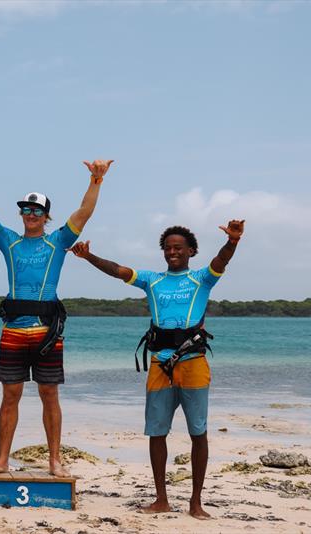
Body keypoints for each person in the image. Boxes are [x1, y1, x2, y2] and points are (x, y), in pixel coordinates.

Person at [69, 220, 245, 519]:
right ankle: (161, 499)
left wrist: (232, 242)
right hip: (160, 365)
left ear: (191, 251)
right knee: (156, 432)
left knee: (198, 433)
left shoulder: (202, 278)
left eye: (178, 248)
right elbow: (118, 270)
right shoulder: (152, 280)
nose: (172, 252)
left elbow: (221, 261)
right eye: (167, 248)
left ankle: (195, 502)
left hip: (193, 364)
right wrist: (89, 258)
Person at [0, 158, 114, 477]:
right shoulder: (9, 241)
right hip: (14, 332)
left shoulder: (58, 241)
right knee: (10, 395)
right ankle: (2, 460)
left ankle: (55, 461)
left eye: (37, 211)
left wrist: (96, 180)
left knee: (49, 394)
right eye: (26, 210)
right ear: (22, 214)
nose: (31, 215)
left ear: (46, 216)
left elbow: (83, 213)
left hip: (46, 333)